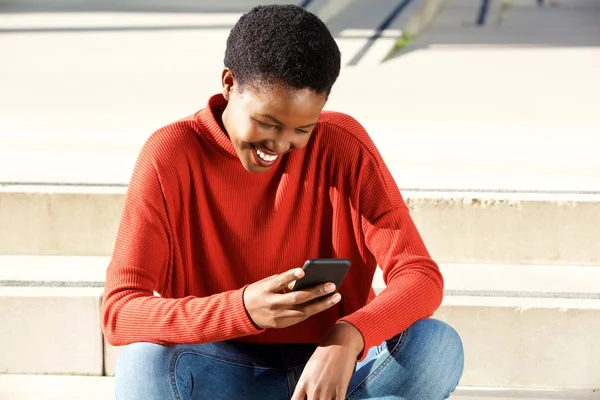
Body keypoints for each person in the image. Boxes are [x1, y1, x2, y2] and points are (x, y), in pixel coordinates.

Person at [101, 4, 464, 400]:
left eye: (302, 129)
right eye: (267, 123)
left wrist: (348, 336)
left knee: (436, 346)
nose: (279, 145)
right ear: (228, 83)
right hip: (226, 370)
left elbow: (419, 276)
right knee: (143, 365)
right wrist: (242, 310)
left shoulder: (345, 145)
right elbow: (120, 311)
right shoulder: (170, 155)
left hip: (335, 376)